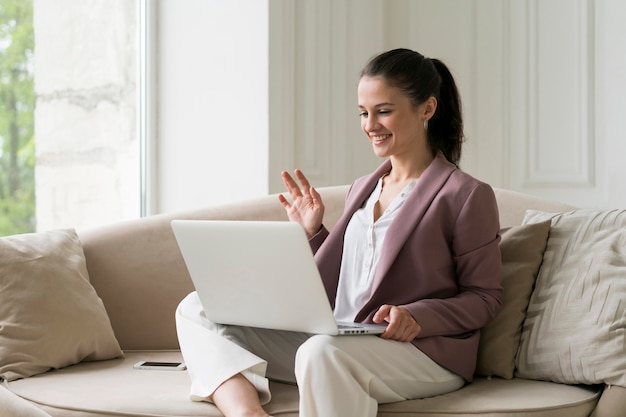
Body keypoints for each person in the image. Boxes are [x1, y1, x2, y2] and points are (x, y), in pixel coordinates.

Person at [175, 48, 503, 417]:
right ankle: (247, 413)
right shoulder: (363, 187)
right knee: (197, 307)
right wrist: (314, 232)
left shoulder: (465, 194)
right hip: (342, 337)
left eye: (384, 111)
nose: (370, 125)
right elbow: (351, 281)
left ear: (427, 109)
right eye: (364, 113)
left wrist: (417, 316)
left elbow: (485, 297)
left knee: (319, 352)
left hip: (420, 352)